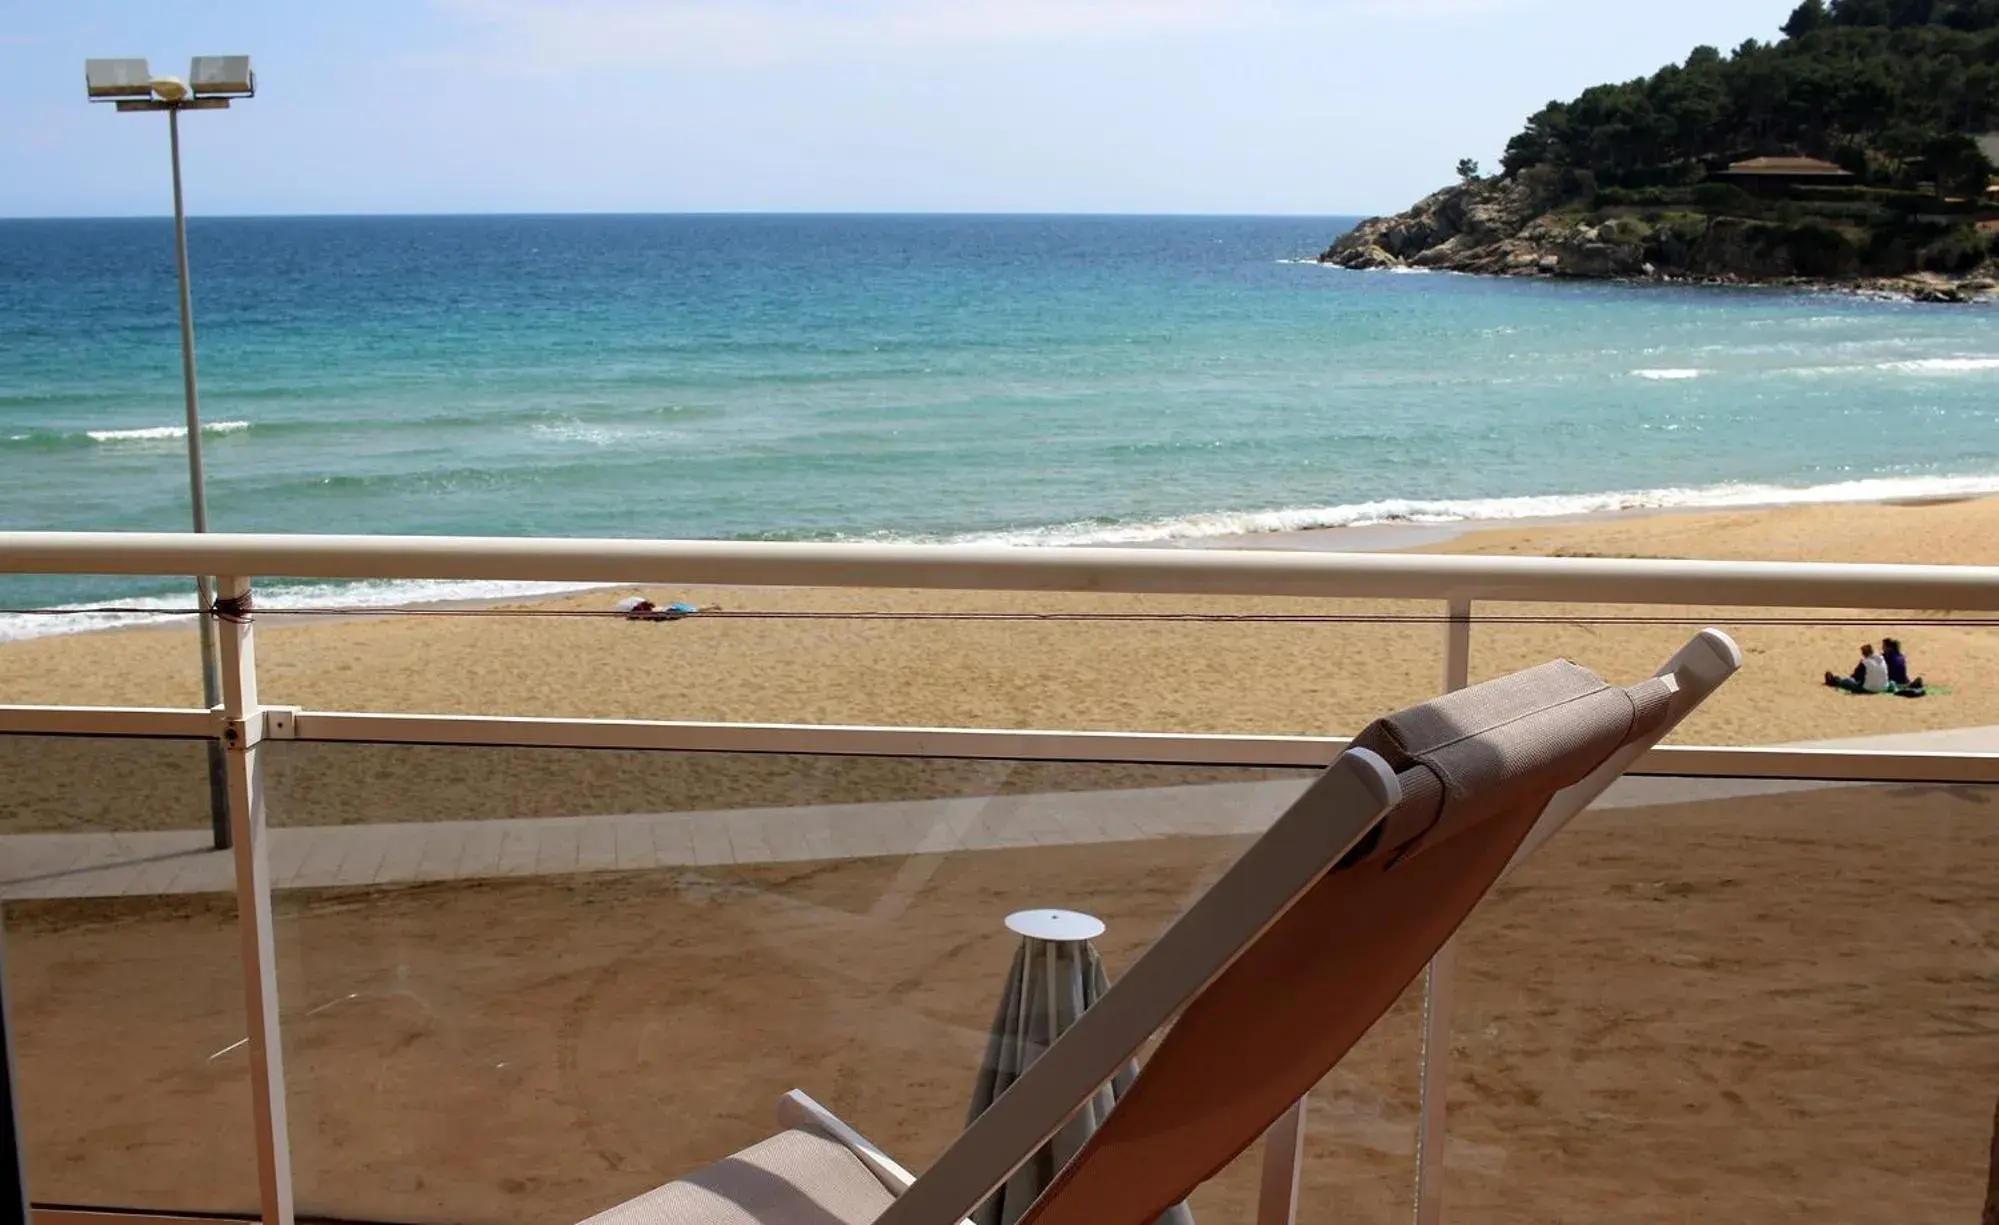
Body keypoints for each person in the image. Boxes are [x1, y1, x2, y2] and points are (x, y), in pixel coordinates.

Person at [1825, 643, 1889, 694]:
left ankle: (1834, 680)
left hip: (1870, 689)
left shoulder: (1865, 662)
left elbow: (1855, 676)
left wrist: (1860, 665)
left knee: (1847, 681)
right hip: (1884, 687)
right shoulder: (1882, 659)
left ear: (1864, 653)